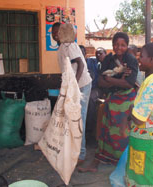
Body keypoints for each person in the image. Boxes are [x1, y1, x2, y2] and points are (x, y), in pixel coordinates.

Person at [78, 32, 138, 172]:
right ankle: (96, 163)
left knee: (122, 133)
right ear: (112, 45)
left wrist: (110, 80)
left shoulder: (131, 60)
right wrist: (117, 80)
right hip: (111, 100)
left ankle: (123, 163)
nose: (119, 47)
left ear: (127, 46)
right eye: (116, 44)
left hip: (126, 101)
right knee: (105, 132)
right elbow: (99, 81)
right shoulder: (108, 60)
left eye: (123, 45)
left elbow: (129, 84)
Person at [125, 42, 153, 187]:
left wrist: (131, 108)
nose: (138, 59)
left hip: (147, 141)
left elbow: (138, 118)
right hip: (143, 139)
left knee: (146, 180)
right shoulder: (150, 80)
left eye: (141, 56)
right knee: (139, 178)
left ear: (152, 60)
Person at [52, 23, 92, 164]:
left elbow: (80, 64)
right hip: (74, 86)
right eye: (53, 32)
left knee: (79, 120)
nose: (55, 34)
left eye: (58, 31)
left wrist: (74, 86)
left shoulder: (70, 45)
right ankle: (73, 151)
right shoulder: (63, 47)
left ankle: (81, 154)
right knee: (71, 120)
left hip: (81, 86)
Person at [79, 45, 107, 138]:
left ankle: (89, 128)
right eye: (97, 53)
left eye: (101, 53)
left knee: (90, 98)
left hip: (98, 89)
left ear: (105, 54)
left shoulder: (109, 63)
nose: (98, 55)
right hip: (89, 87)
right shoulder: (90, 61)